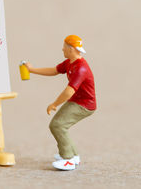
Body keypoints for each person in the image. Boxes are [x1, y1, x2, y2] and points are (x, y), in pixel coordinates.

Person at [24, 35, 97, 170]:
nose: (62, 49)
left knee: (58, 125)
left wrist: (54, 104)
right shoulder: (69, 62)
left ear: (71, 49)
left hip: (85, 105)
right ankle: (74, 156)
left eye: (64, 47)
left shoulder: (81, 68)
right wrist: (31, 70)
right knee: (59, 125)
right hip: (77, 101)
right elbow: (54, 70)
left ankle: (68, 159)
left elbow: (69, 91)